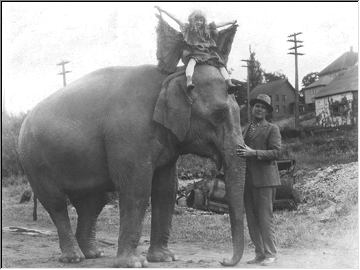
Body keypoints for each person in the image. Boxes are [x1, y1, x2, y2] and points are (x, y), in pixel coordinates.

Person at [236, 94, 281, 266]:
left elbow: (277, 152)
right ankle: (260, 253)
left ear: (267, 111)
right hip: (248, 180)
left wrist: (253, 153)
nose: (259, 109)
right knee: (252, 219)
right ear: (252, 108)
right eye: (257, 106)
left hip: (265, 180)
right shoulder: (246, 129)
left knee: (264, 218)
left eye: (263, 107)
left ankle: (271, 253)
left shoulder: (272, 129)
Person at [155, 6, 238, 91]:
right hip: (194, 52)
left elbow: (219, 24)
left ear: (203, 21)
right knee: (192, 62)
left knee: (220, 64)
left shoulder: (207, 29)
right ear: (192, 20)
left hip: (207, 52)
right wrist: (164, 11)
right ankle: (189, 81)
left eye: (201, 20)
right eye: (197, 20)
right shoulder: (188, 28)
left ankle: (228, 82)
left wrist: (230, 22)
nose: (199, 22)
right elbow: (176, 19)